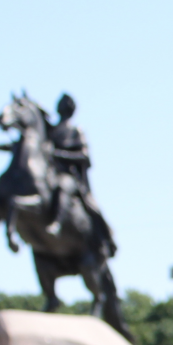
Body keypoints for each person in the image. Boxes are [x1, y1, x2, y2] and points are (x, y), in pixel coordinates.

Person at [44, 93, 117, 256]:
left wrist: (57, 154)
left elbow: (85, 157)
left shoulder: (76, 131)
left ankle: (107, 239)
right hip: (49, 176)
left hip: (69, 177)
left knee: (85, 202)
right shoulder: (51, 130)